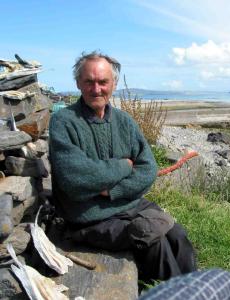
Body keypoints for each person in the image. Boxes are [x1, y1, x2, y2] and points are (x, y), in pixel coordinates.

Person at [49, 51, 196, 280]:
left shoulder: (124, 121)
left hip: (128, 204)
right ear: (78, 83)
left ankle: (198, 288)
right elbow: (75, 179)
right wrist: (124, 166)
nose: (96, 89)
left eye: (103, 82)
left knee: (177, 234)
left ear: (114, 84)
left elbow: (148, 170)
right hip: (87, 218)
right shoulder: (63, 122)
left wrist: (111, 190)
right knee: (152, 238)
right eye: (89, 81)